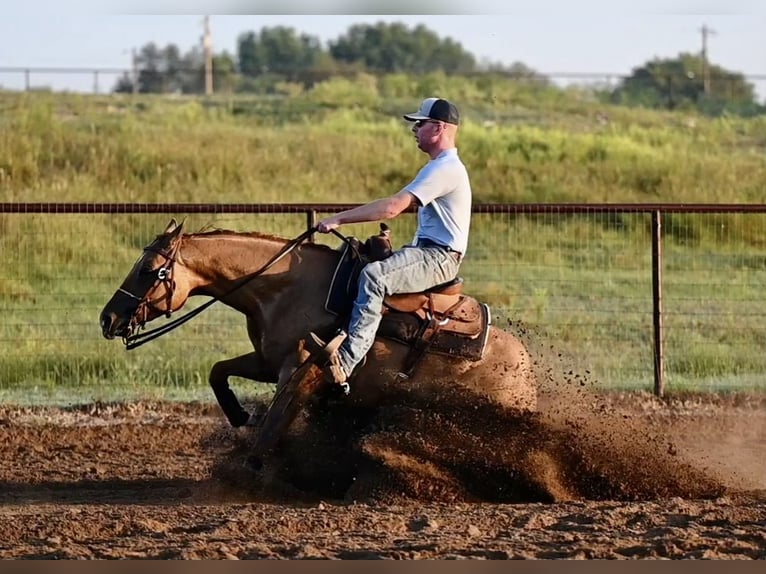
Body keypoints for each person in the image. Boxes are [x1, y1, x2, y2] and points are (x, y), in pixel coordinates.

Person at [312, 97, 472, 392]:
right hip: (427, 251)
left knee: (374, 277)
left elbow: (392, 208)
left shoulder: (445, 168)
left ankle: (346, 363)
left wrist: (338, 220)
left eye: (419, 124)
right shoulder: (439, 166)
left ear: (437, 128)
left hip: (438, 257)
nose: (414, 130)